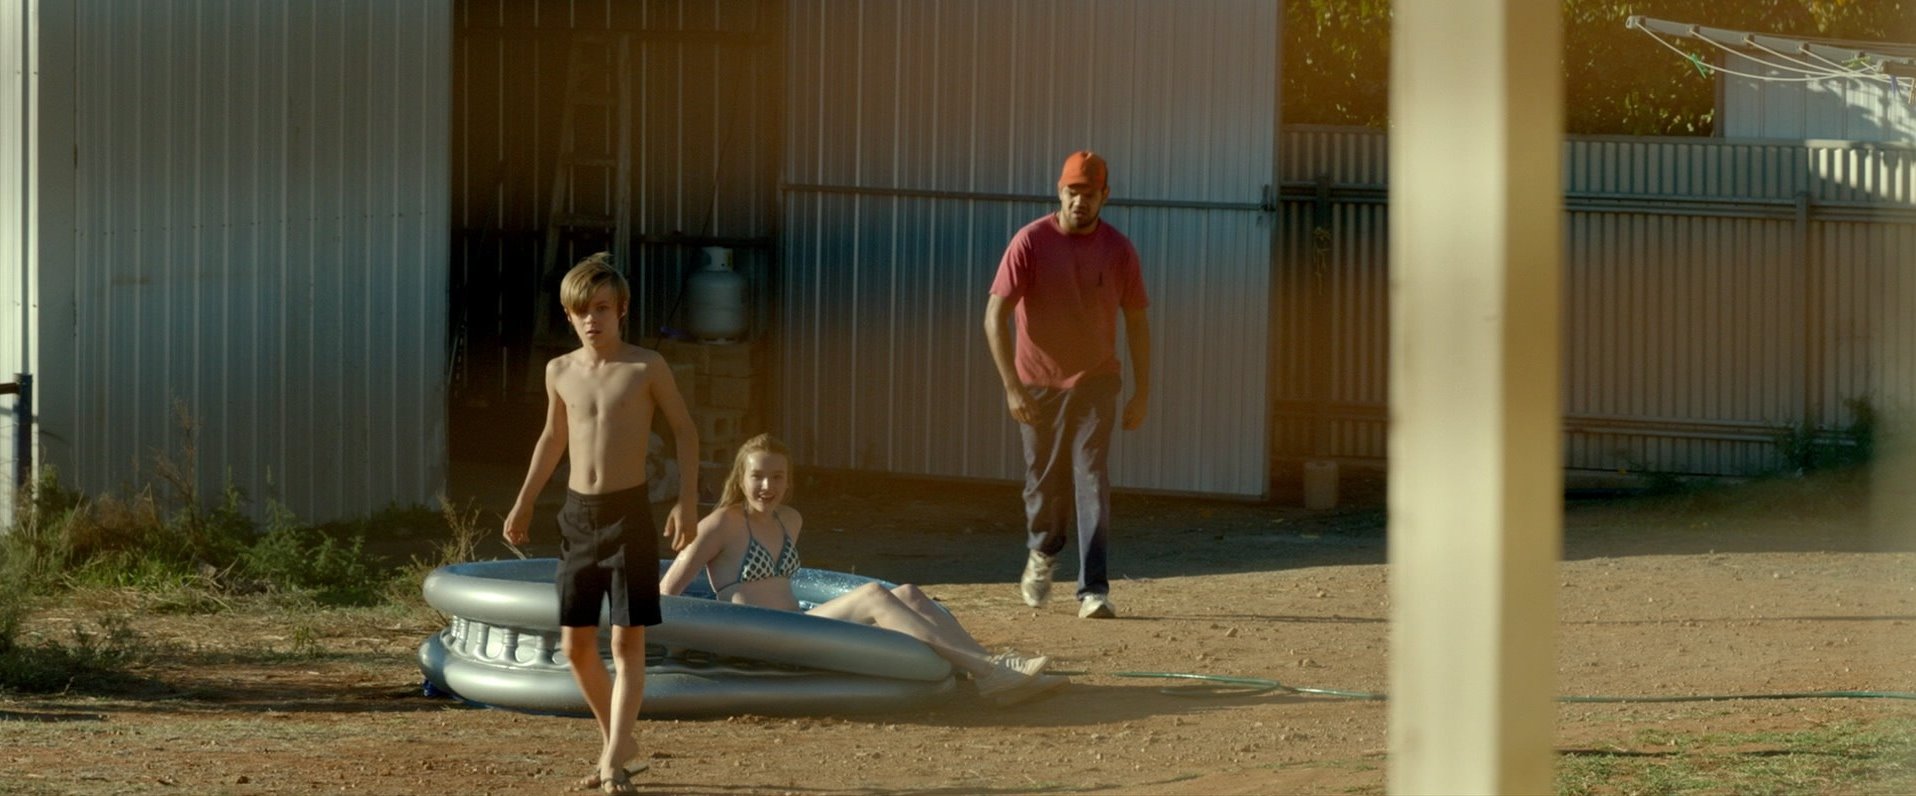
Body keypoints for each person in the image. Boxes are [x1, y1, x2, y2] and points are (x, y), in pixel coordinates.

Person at [660, 433, 1068, 706]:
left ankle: (992, 667)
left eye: (777, 477)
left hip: (797, 625)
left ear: (788, 480)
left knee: (907, 593)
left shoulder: (790, 520)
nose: (767, 486)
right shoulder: (722, 523)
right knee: (873, 594)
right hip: (757, 639)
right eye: (758, 476)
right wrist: (684, 648)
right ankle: (989, 672)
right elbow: (668, 592)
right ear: (741, 477)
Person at [502, 252, 700, 794]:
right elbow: (553, 438)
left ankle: (612, 760)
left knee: (626, 644)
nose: (593, 319)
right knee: (575, 647)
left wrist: (687, 502)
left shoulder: (646, 366)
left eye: (603, 308)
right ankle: (619, 740)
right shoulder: (559, 371)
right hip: (577, 516)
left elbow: (684, 430)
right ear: (568, 316)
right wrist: (523, 502)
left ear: (622, 310)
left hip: (629, 513)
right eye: (582, 311)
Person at [983, 150, 1151, 620]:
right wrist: (1012, 387)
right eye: (1073, 192)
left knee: (1091, 477)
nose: (1080, 201)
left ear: (1104, 196)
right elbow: (994, 317)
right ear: (1060, 192)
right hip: (1038, 385)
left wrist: (1142, 391)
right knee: (1043, 484)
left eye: (1089, 193)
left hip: (1097, 381)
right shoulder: (1030, 242)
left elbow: (1138, 322)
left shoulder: (1118, 250)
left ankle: (1093, 589)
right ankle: (1043, 550)